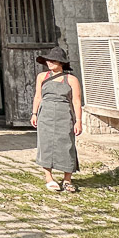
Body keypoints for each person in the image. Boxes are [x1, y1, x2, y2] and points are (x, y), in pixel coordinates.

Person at [30, 46, 82, 193]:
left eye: (53, 61)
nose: (50, 63)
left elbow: (76, 101)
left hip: (64, 114)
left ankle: (67, 179)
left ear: (61, 63)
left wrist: (78, 120)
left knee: (67, 144)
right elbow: (38, 96)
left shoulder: (71, 79)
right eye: (48, 60)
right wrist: (34, 113)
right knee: (45, 144)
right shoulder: (42, 77)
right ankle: (49, 177)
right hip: (45, 114)